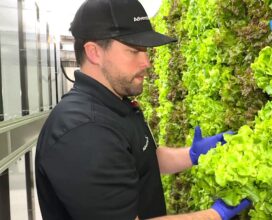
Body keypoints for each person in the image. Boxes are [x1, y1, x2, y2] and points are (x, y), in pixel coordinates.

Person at [35, 0, 251, 219]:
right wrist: (215, 215)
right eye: (134, 50)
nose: (146, 62)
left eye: (146, 51)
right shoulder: (84, 132)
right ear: (94, 52)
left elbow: (142, 160)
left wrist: (193, 154)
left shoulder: (117, 104)